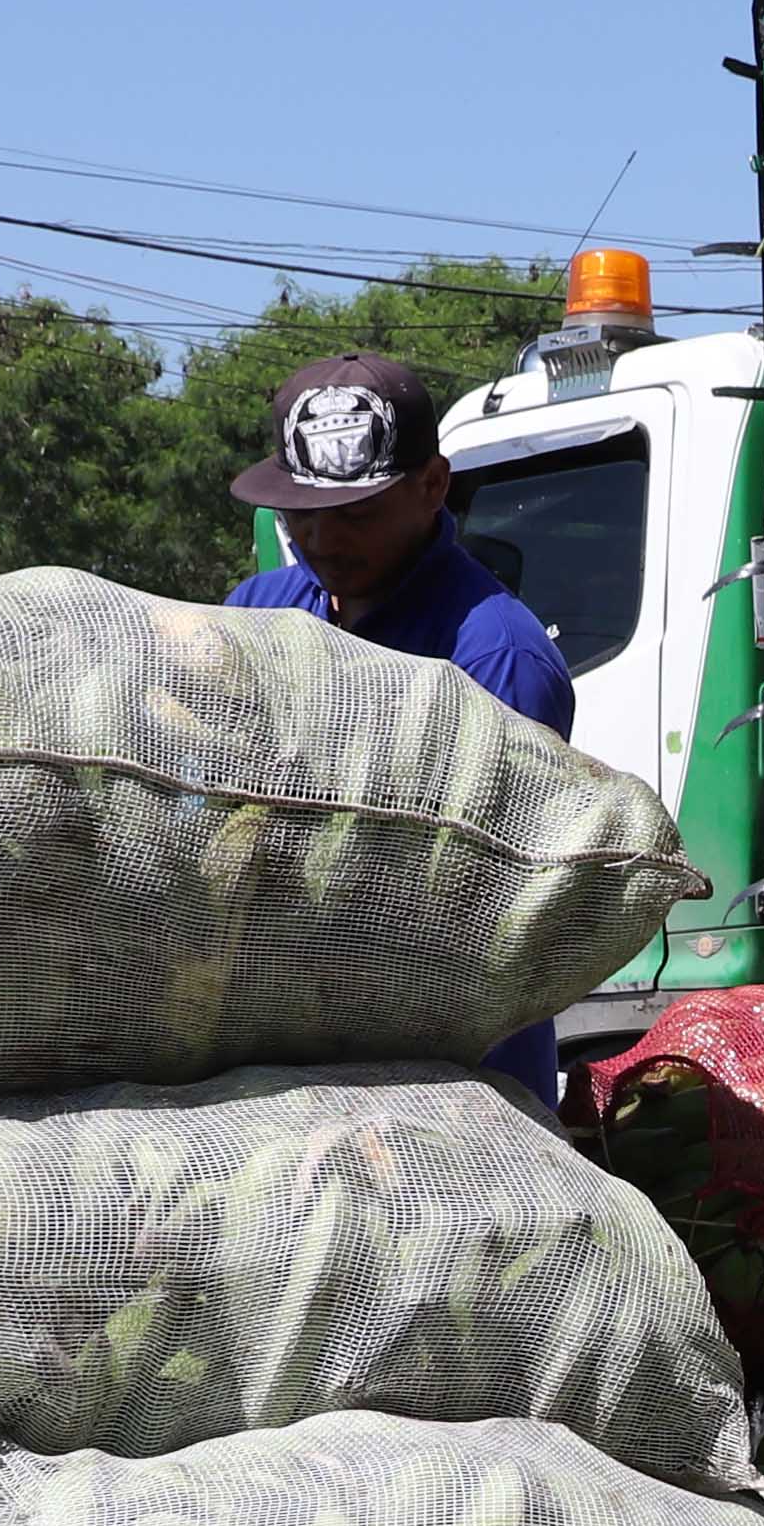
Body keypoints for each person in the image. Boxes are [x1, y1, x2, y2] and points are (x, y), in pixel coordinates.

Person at [225, 348, 579, 1090]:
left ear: (432, 486)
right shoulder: (255, 614)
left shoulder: (495, 657)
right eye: (302, 515)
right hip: (291, 1055)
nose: (322, 541)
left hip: (456, 1081)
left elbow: (484, 904)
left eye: (354, 515)